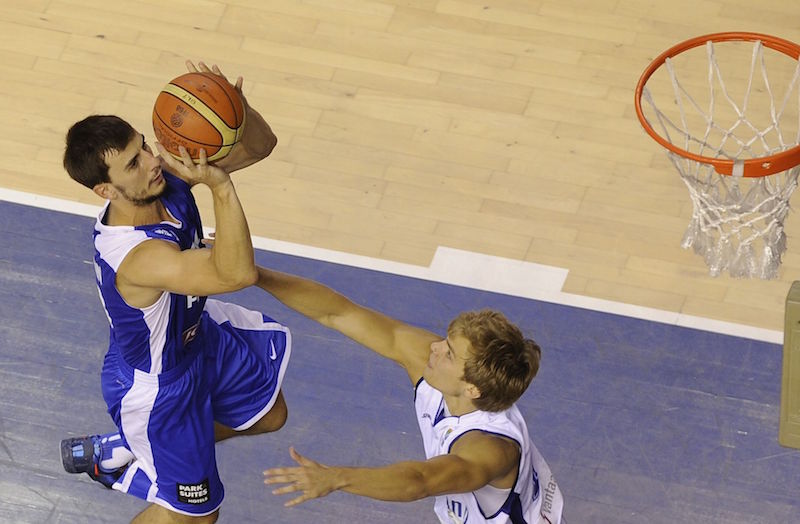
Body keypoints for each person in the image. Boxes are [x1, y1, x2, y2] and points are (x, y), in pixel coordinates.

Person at [59, 62, 291, 524]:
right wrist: (221, 186)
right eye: (133, 162)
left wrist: (235, 112)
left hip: (197, 337)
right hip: (161, 386)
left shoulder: (161, 181)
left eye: (142, 146)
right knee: (196, 515)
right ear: (106, 189)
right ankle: (150, 447)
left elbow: (261, 145)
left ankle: (125, 448)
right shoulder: (138, 258)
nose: (152, 160)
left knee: (270, 415)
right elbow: (237, 273)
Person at [259, 268, 565, 523]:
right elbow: (338, 312)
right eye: (445, 341)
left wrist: (337, 477)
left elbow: (420, 480)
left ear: (472, 388)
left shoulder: (490, 448)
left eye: (449, 353)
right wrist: (256, 275)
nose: (433, 347)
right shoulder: (444, 373)